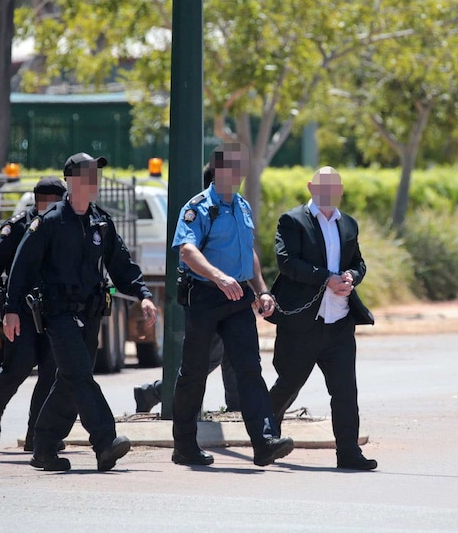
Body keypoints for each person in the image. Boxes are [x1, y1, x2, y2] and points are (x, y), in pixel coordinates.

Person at [2, 152, 158, 472]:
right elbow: (22, 267)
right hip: (58, 314)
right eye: (87, 176)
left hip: (90, 314)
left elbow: (121, 264)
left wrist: (142, 294)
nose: (93, 182)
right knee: (80, 375)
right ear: (72, 181)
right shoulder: (49, 222)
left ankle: (43, 447)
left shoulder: (101, 221)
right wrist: (10, 309)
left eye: (96, 176)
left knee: (69, 381)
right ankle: (104, 440)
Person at [170, 142, 293, 467]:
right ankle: (184, 445)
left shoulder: (241, 206)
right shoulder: (199, 207)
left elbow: (246, 252)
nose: (240, 173)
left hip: (238, 297)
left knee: (250, 370)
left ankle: (265, 442)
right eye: (235, 167)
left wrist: (262, 290)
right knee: (194, 374)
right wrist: (218, 277)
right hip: (206, 296)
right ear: (220, 169)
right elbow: (186, 250)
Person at [266, 166, 377, 471]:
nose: (328, 191)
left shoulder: (349, 224)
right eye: (322, 184)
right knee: (288, 383)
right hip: (303, 323)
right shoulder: (293, 220)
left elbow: (358, 263)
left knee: (345, 391)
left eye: (334, 185)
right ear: (311, 187)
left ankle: (348, 453)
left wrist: (351, 277)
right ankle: (265, 435)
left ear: (340, 190)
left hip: (339, 324)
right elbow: (287, 262)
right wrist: (326, 279)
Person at [133, 162, 240, 414]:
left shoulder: (231, 208)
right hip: (209, 294)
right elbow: (191, 252)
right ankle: (153, 392)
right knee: (208, 357)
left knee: (232, 351)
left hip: (229, 293)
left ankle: (238, 405)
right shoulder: (203, 211)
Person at [0, 176, 66, 452]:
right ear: (39, 201)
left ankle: (36, 434)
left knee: (51, 371)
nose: (51, 207)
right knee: (18, 367)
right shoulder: (17, 227)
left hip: (54, 310)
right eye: (47, 202)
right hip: (21, 310)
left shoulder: (66, 226)